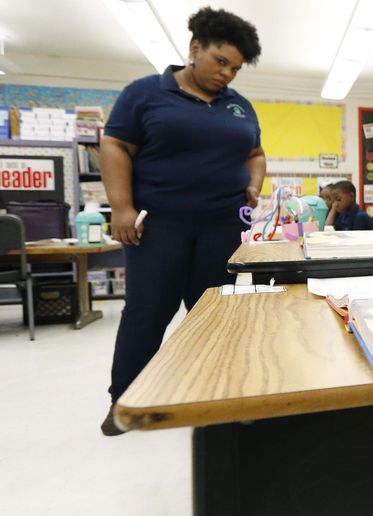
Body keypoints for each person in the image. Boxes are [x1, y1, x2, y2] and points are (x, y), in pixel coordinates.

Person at [100, 7, 264, 436]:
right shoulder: (145, 93)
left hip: (222, 226)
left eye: (236, 68)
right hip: (159, 225)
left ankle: (213, 391)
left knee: (212, 312)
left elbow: (255, 154)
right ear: (195, 49)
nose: (227, 74)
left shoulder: (239, 107)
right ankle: (126, 400)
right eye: (220, 62)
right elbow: (115, 144)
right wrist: (121, 208)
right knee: (148, 312)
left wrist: (254, 185)